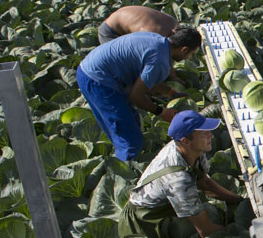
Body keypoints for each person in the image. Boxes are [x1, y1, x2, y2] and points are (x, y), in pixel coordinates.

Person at [118, 110, 245, 238]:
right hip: (144, 223)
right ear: (185, 141)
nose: (211, 135)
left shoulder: (191, 150)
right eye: (204, 133)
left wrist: (239, 200)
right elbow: (205, 230)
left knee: (209, 212)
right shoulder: (178, 180)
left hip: (165, 207)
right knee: (209, 218)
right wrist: (240, 234)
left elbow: (204, 183)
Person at [76, 27, 201, 161]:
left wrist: (170, 92)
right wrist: (161, 111)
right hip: (98, 81)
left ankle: (120, 156)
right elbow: (136, 96)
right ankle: (125, 174)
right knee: (131, 140)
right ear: (184, 49)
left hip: (89, 69)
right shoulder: (160, 61)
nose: (189, 58)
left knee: (130, 122)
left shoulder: (156, 39)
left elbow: (145, 80)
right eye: (191, 54)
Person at [98, 5, 179, 44]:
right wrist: (173, 76)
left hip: (124, 20)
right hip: (110, 31)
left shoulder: (174, 24)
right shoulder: (153, 35)